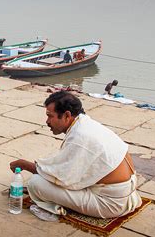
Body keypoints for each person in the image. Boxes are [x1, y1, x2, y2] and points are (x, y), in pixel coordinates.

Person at [9, 91, 141, 220]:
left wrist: (24, 165)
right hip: (126, 193)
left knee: (35, 183)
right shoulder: (86, 123)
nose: (47, 121)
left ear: (67, 115)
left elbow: (61, 178)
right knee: (46, 176)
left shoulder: (80, 136)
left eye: (50, 116)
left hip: (110, 204)